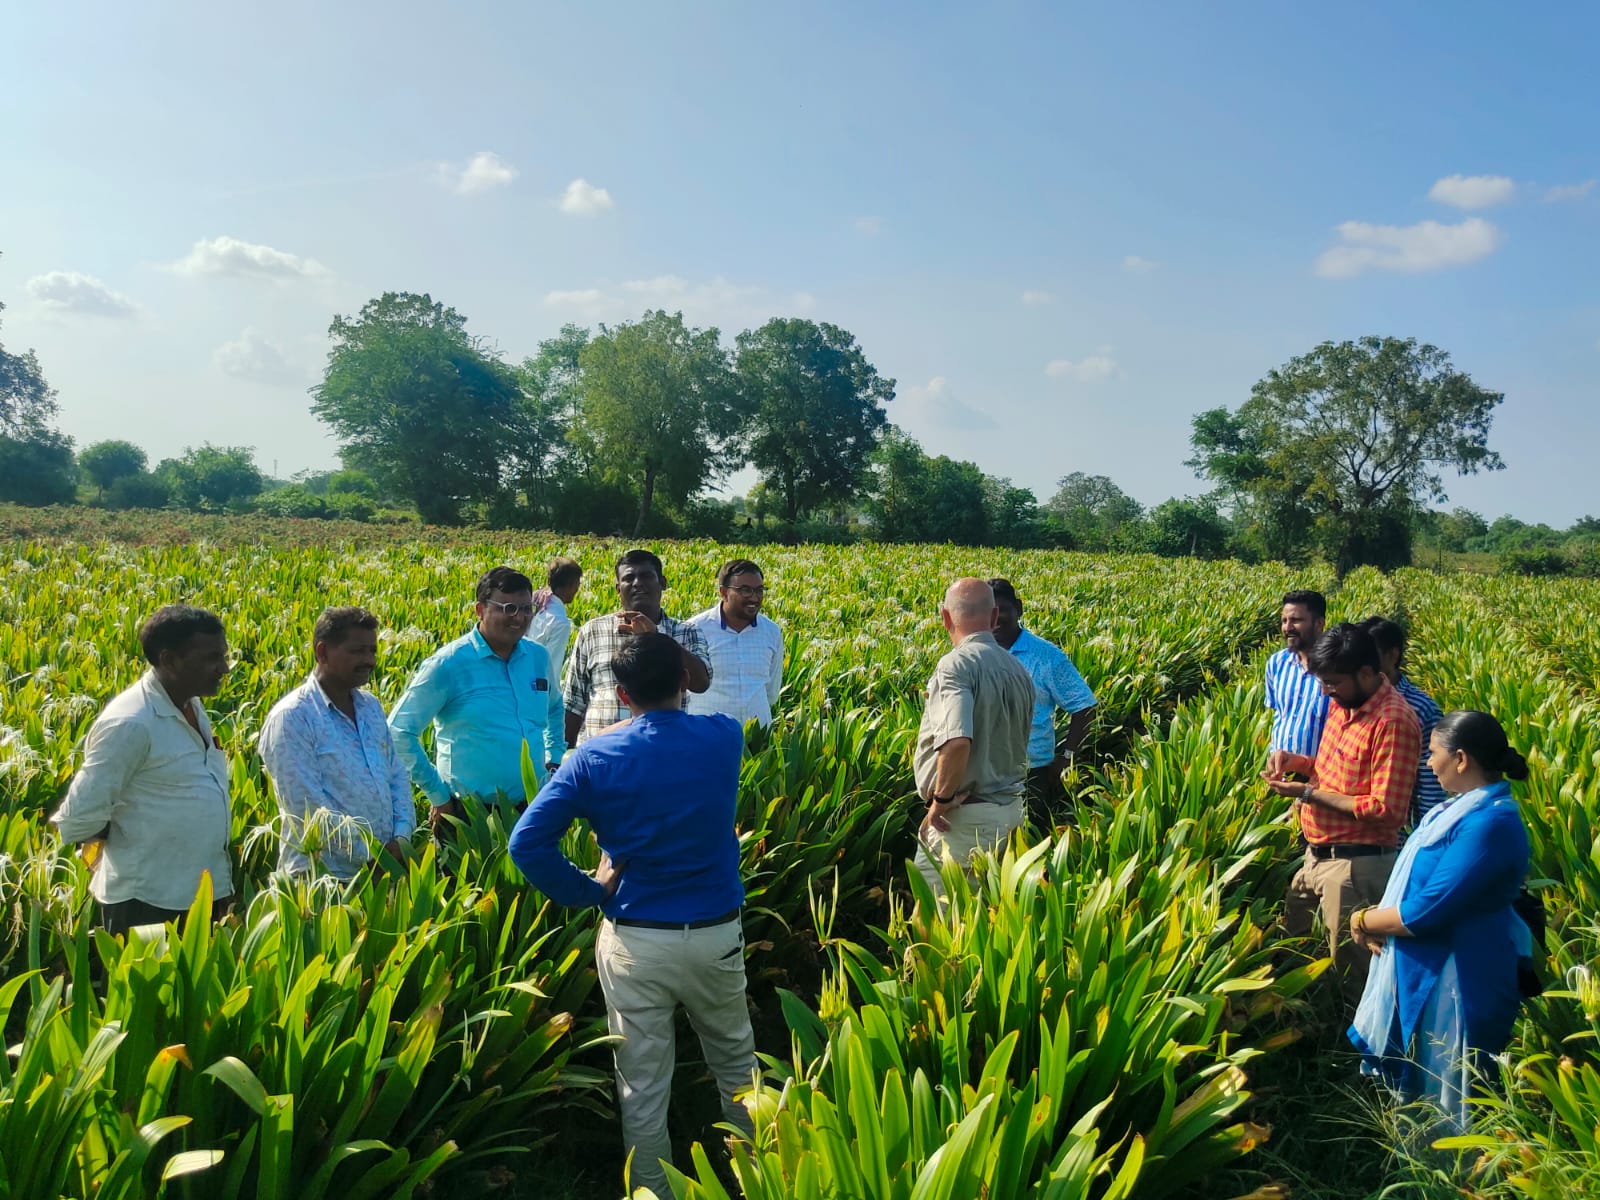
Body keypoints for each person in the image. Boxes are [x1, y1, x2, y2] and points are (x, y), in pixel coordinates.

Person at [508, 633, 755, 1197]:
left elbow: (527, 845)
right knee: (737, 1067)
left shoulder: (593, 759)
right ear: (683, 681)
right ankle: (754, 1179)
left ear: (620, 693)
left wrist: (587, 891)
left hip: (636, 938)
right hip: (716, 931)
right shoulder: (724, 737)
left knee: (643, 1084)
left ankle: (652, 1192)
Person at [1347, 710, 1532, 1131]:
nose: (1427, 763)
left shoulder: (1491, 823)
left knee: (1451, 1098)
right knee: (1420, 1094)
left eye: (1433, 754)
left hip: (1461, 980)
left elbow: (1429, 909)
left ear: (1462, 759)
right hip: (1429, 971)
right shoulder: (1456, 811)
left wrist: (1363, 919)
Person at [1262, 622, 1421, 1008]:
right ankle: (1307, 1030)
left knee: (1352, 973)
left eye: (1333, 682)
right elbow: (1336, 771)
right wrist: (1298, 763)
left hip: (1355, 865)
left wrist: (1308, 793)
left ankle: (1354, 1057)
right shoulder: (1343, 703)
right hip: (1316, 855)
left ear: (1367, 673)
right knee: (1294, 948)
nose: (1325, 691)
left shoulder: (1394, 722)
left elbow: (1385, 809)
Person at [50, 604, 234, 934]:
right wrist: (126, 830)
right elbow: (78, 819)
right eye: (211, 658)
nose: (224, 668)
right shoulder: (131, 723)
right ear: (169, 660)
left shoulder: (190, 702)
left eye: (223, 656)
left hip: (198, 893)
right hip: (147, 901)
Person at [258, 606, 417, 880]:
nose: (369, 660)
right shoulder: (293, 717)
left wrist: (401, 838)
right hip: (323, 878)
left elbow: (396, 776)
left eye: (372, 650)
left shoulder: (370, 707)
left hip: (383, 872)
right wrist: (371, 855)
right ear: (322, 652)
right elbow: (307, 808)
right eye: (357, 651)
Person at [389, 567, 552, 826]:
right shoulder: (448, 664)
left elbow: (554, 709)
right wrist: (438, 796)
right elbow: (398, 731)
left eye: (526, 609)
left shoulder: (538, 657)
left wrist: (553, 759)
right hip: (466, 814)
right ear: (480, 609)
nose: (519, 618)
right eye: (508, 608)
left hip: (532, 807)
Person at [912, 578, 1034, 900]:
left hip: (964, 822)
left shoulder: (955, 665)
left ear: (946, 618)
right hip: (1009, 813)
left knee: (939, 927)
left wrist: (939, 801)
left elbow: (957, 741)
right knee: (986, 922)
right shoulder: (1019, 671)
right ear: (994, 618)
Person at [562, 549, 712, 749]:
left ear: (663, 583)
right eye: (629, 578)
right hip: (600, 756)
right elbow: (574, 703)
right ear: (618, 588)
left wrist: (656, 637)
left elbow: (701, 682)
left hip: (662, 753)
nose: (637, 583)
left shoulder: (686, 632)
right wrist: (562, 758)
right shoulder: (592, 631)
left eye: (646, 576)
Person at [988, 577, 1097, 829]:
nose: (994, 619)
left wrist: (1067, 757)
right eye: (987, 612)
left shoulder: (1046, 656)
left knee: (1031, 842)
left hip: (1031, 773)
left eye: (1001, 610)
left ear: (1019, 608)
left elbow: (1084, 705)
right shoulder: (973, 654)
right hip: (982, 773)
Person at [1360, 617, 1448, 827]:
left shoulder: (1421, 707)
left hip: (1393, 834)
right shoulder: (1351, 700)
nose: (1363, 664)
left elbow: (1430, 782)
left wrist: (1426, 834)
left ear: (1392, 655)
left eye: (1371, 655)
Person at [684, 558, 785, 727]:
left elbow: (771, 692)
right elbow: (682, 688)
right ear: (723, 592)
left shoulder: (772, 632)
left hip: (757, 737)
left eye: (759, 590)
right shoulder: (694, 629)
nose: (754, 597)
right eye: (745, 590)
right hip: (707, 734)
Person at [1264, 590, 1331, 781]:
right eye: (1284, 621)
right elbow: (1277, 713)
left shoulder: (1336, 668)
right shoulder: (1276, 663)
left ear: (1319, 623)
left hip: (1319, 776)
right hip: (1279, 771)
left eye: (1296, 620)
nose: (1288, 627)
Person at [526, 555, 583, 770]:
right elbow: (550, 665)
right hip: (538, 687)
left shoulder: (539, 603)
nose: (577, 590)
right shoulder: (560, 621)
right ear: (569, 586)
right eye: (577, 584)